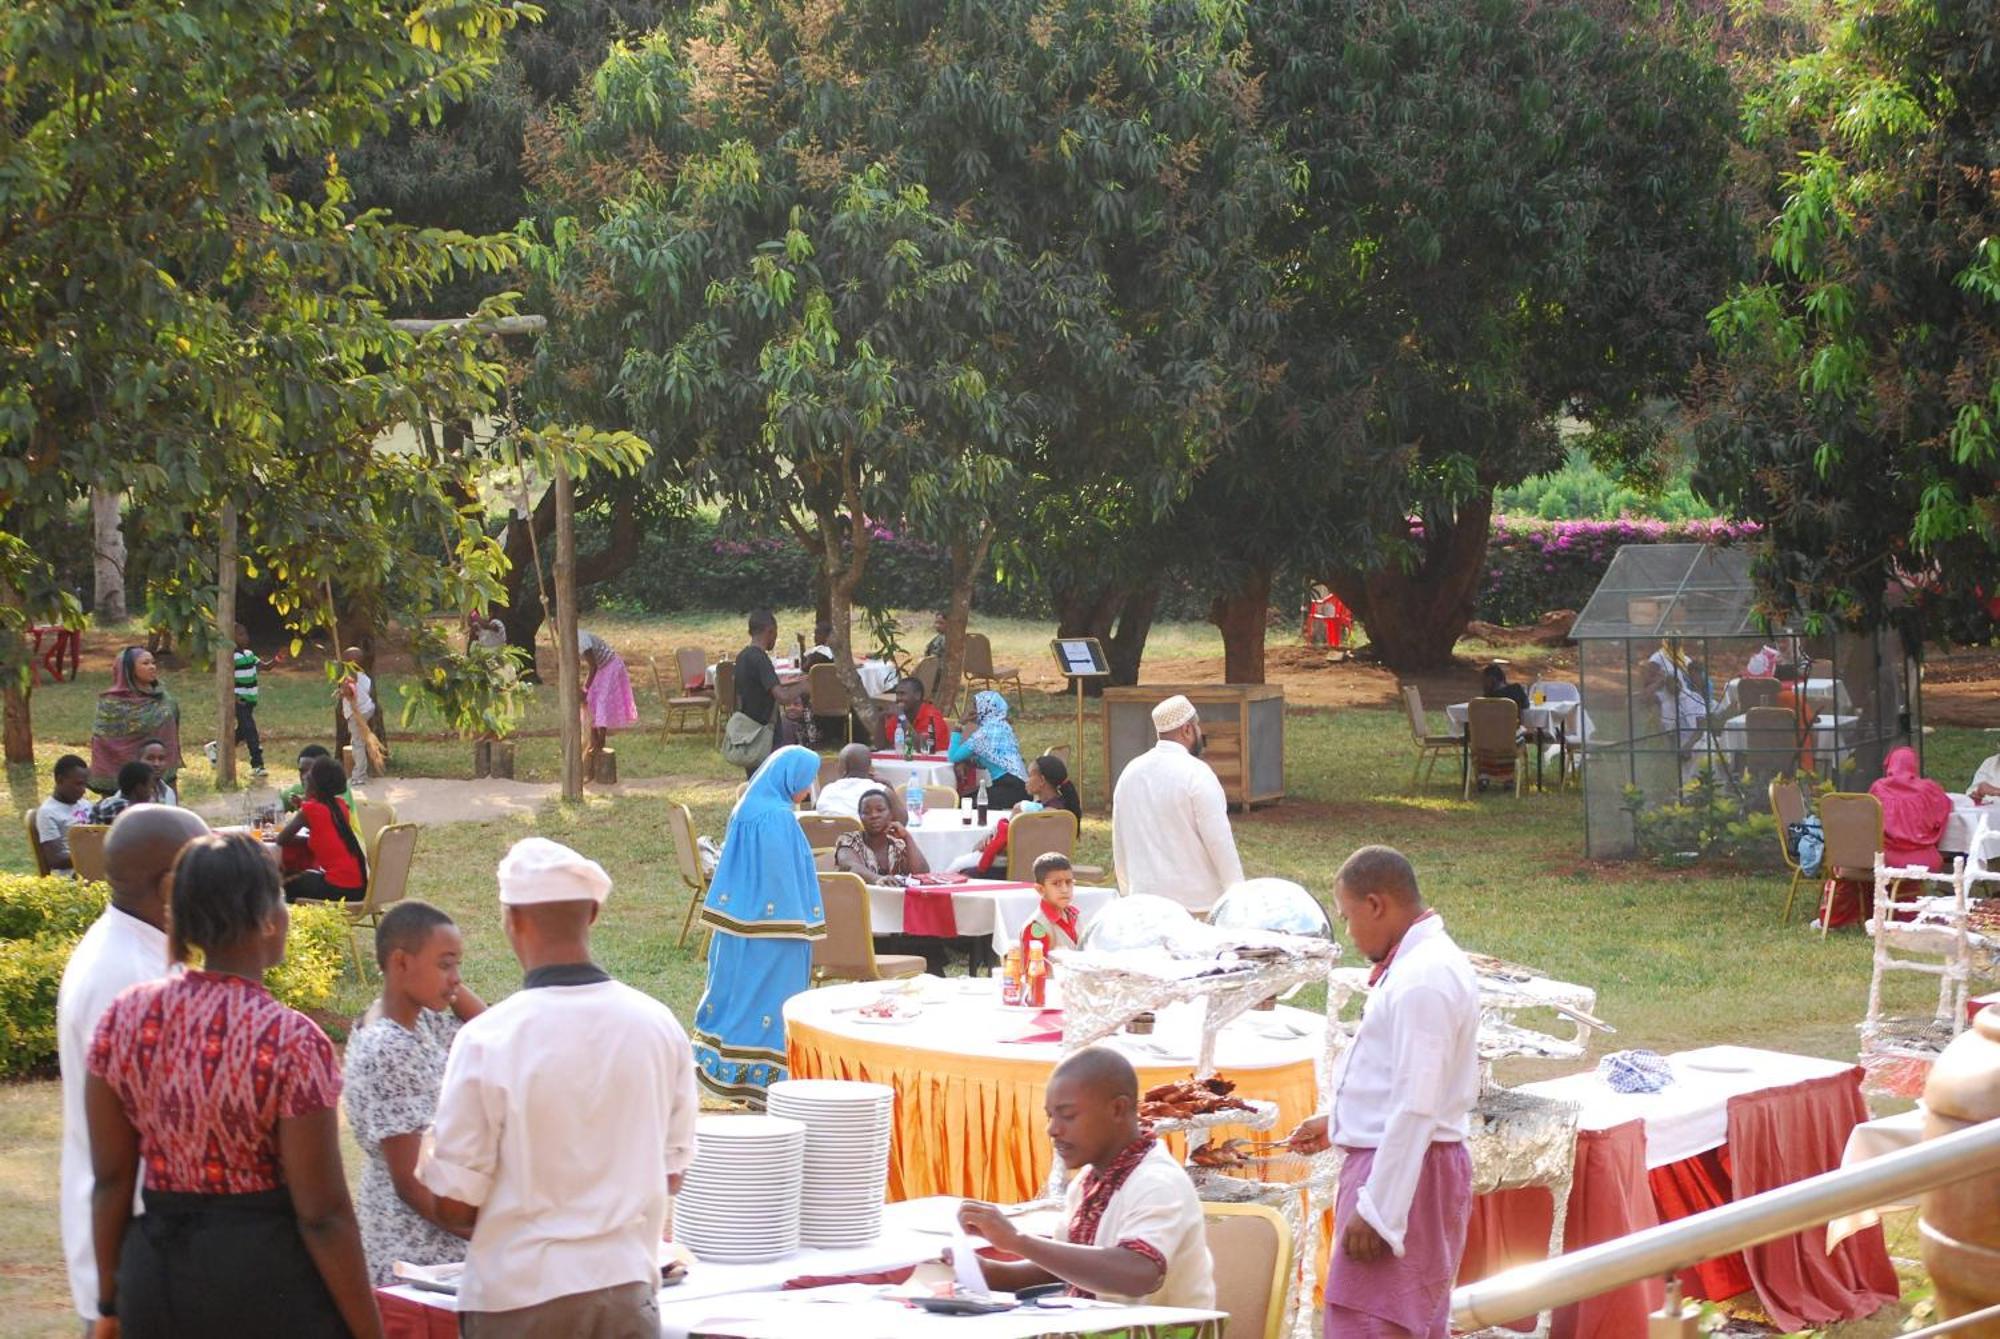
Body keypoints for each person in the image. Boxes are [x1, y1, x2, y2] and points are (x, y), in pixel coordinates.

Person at [84, 831, 379, 1338]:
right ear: (266, 917)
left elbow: (111, 1181)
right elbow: (323, 1214)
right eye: (282, 897)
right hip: (263, 1284)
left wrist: (110, 1302)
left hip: (157, 1277)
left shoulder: (124, 1018)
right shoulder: (290, 1041)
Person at [419, 838, 698, 1337]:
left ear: (513, 920)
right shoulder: (658, 1026)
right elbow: (671, 1175)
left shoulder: (488, 1038)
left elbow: (454, 1203)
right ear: (592, 914)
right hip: (626, 1293)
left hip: (520, 1298)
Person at [1287, 846, 1479, 1339]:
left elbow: (1417, 1105)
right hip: (1397, 1165)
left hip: (1402, 1176)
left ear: (1376, 904)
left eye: (1349, 918)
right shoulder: (1418, 965)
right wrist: (1338, 1124)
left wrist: (1379, 1212)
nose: (1351, 935)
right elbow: (1398, 1080)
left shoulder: (1424, 979)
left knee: (1372, 1324)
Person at [57, 804, 207, 1329]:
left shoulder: (139, 954)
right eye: (202, 870)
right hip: (134, 1251)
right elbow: (134, 1150)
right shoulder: (126, 977)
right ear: (170, 887)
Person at [958, 1048, 1215, 1310]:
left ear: (1117, 1109)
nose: (1052, 1129)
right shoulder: (1087, 1181)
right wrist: (980, 1271)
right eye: (1050, 1116)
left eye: (1067, 1115)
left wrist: (1017, 1240)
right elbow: (1061, 1270)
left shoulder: (1158, 1182)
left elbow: (1137, 1274)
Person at [343, 901, 488, 1285]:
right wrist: (490, 1236)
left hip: (439, 1235)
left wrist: (447, 982)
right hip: (416, 1253)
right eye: (445, 964)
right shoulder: (389, 1046)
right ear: (401, 963)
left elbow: (490, 1034)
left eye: (458, 965)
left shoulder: (419, 1021)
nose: (456, 978)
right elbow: (410, 1183)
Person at [692, 746, 825, 1103]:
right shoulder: (776, 817)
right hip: (775, 931)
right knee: (769, 1001)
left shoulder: (749, 807)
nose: (809, 787)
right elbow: (781, 876)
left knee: (740, 997)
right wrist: (799, 922)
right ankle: (764, 1083)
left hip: (740, 924)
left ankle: (734, 1071)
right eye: (806, 778)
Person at [1110, 695, 1245, 914]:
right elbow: (1219, 840)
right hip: (1196, 905)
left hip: (1144, 903)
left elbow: (1120, 839)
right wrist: (1237, 896)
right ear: (1187, 730)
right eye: (1198, 727)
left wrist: (1127, 893)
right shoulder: (1197, 773)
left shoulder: (1130, 772)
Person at [88, 646, 181, 796]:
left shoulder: (163, 698)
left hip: (163, 776)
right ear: (128, 670)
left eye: (153, 663)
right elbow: (103, 743)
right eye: (145, 663)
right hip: (121, 784)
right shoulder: (112, 704)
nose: (152, 667)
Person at [278, 756, 369, 902]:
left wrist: (304, 809)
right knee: (304, 876)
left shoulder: (310, 810)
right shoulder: (340, 806)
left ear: (314, 788)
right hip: (359, 887)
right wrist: (304, 804)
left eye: (307, 782)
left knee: (288, 883)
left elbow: (282, 839)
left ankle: (297, 921)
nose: (304, 785)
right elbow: (325, 827)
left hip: (339, 888)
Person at [733, 610, 810, 776]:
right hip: (766, 732)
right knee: (771, 778)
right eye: (775, 634)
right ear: (769, 631)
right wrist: (803, 686)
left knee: (754, 780)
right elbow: (782, 698)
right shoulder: (761, 659)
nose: (775, 639)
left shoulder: (742, 657)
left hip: (747, 729)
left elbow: (751, 689)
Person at [1871, 745, 1953, 871]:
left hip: (1884, 858)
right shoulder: (1928, 789)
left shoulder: (1878, 788)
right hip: (1921, 858)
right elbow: (1944, 811)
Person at [949, 690, 1030, 808]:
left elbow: (953, 756)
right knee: (970, 798)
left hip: (1009, 790)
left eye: (975, 707)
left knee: (963, 804)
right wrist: (968, 761)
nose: (971, 711)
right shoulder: (1004, 727)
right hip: (1023, 787)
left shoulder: (983, 735)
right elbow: (989, 759)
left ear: (984, 709)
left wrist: (960, 724)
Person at [578, 629, 640, 778]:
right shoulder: (569, 640)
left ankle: (600, 740)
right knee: (591, 701)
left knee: (602, 701)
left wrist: (586, 688)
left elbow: (593, 666)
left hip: (610, 666)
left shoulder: (581, 640)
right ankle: (592, 739)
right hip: (600, 667)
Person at [833, 790, 932, 882]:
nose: (874, 815)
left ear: (891, 814)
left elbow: (922, 873)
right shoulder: (849, 840)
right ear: (860, 816)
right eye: (866, 812)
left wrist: (907, 837)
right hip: (859, 899)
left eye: (880, 810)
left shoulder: (898, 844)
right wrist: (879, 879)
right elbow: (850, 866)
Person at [1641, 636, 1712, 757]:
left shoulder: (1685, 660)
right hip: (1681, 745)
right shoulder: (1657, 658)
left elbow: (1701, 727)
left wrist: (1688, 746)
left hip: (1699, 743)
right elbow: (1645, 692)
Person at [816, 742, 908, 823]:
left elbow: (815, 814)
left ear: (843, 768)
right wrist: (889, 786)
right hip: (864, 842)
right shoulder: (881, 791)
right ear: (870, 768)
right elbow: (903, 821)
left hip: (828, 842)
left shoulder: (827, 790)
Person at [35, 754, 93, 873]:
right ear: (60, 780)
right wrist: (94, 853)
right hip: (70, 876)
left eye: (85, 784)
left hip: (93, 868)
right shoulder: (48, 813)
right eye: (78, 784)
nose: (83, 790)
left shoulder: (86, 805)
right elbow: (56, 859)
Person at [1020, 853, 1083, 958]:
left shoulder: (1074, 915)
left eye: (1069, 882)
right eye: (1057, 884)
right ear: (1040, 889)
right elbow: (1034, 970)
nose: (1065, 890)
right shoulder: (1038, 926)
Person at [232, 623, 274, 778]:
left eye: (246, 634)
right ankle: (257, 764)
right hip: (240, 701)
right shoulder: (231, 657)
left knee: (243, 730)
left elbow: (265, 667)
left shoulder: (249, 654)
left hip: (250, 700)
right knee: (251, 731)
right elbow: (228, 680)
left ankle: (217, 748)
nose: (245, 637)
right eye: (241, 634)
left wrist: (277, 659)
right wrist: (235, 698)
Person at [338, 646, 378, 788]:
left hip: (358, 713)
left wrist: (343, 691)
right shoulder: (365, 678)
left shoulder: (348, 680)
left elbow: (351, 693)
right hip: (368, 709)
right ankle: (363, 771)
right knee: (361, 741)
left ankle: (359, 776)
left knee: (357, 744)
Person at [886, 675, 949, 754]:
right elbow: (883, 745)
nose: (898, 698)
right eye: (897, 694)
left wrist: (902, 717)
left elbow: (923, 748)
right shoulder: (899, 714)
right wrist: (881, 719)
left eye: (902, 694)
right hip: (908, 762)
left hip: (934, 763)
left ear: (917, 695)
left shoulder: (931, 716)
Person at [282, 744, 351, 813]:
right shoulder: (299, 790)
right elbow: (276, 803)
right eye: (302, 771)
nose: (304, 776)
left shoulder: (342, 795)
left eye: (310, 772)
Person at [89, 760, 157, 825]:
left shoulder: (106, 802)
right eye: (150, 787)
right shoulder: (121, 807)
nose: (152, 791)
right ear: (139, 788)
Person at [1028, 753, 1083, 821]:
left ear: (1042, 780)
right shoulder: (1063, 806)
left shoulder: (1047, 814)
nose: (1027, 780)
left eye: (1030, 776)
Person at [138, 738, 178, 807]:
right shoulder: (126, 798)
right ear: (138, 761)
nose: (156, 764)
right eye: (150, 758)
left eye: (161, 759)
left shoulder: (169, 793)